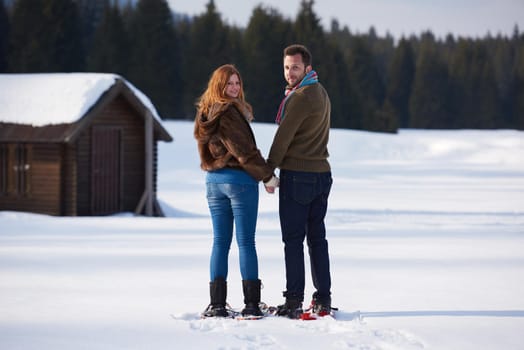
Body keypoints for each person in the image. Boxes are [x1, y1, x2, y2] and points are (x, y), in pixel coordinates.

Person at [194, 64, 279, 318]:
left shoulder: (205, 113)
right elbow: (245, 152)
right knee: (246, 243)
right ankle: (252, 305)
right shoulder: (228, 113)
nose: (234, 88)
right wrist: (268, 177)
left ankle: (217, 304)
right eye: (228, 84)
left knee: (220, 242)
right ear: (218, 86)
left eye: (237, 83)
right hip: (239, 183)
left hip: (213, 181)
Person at [265, 44, 333, 319]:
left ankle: (294, 300)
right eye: (286, 67)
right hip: (321, 175)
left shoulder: (301, 97)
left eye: (295, 67)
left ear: (307, 68)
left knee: (293, 241)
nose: (289, 72)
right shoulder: (320, 91)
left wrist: (268, 172)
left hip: (299, 176)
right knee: (317, 239)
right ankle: (323, 298)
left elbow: (283, 138)